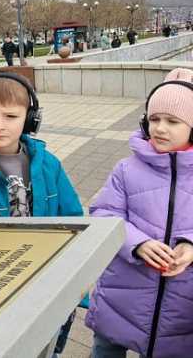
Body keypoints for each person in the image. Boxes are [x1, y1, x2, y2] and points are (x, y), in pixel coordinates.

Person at [0, 70, 84, 356]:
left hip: (44, 280)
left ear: (29, 118)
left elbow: (75, 218)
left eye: (11, 117)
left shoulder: (48, 164)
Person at [85, 68, 193, 358]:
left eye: (172, 121)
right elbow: (104, 213)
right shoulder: (126, 169)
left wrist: (190, 245)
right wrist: (138, 243)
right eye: (154, 119)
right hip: (122, 294)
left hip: (180, 305)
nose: (160, 128)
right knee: (106, 349)